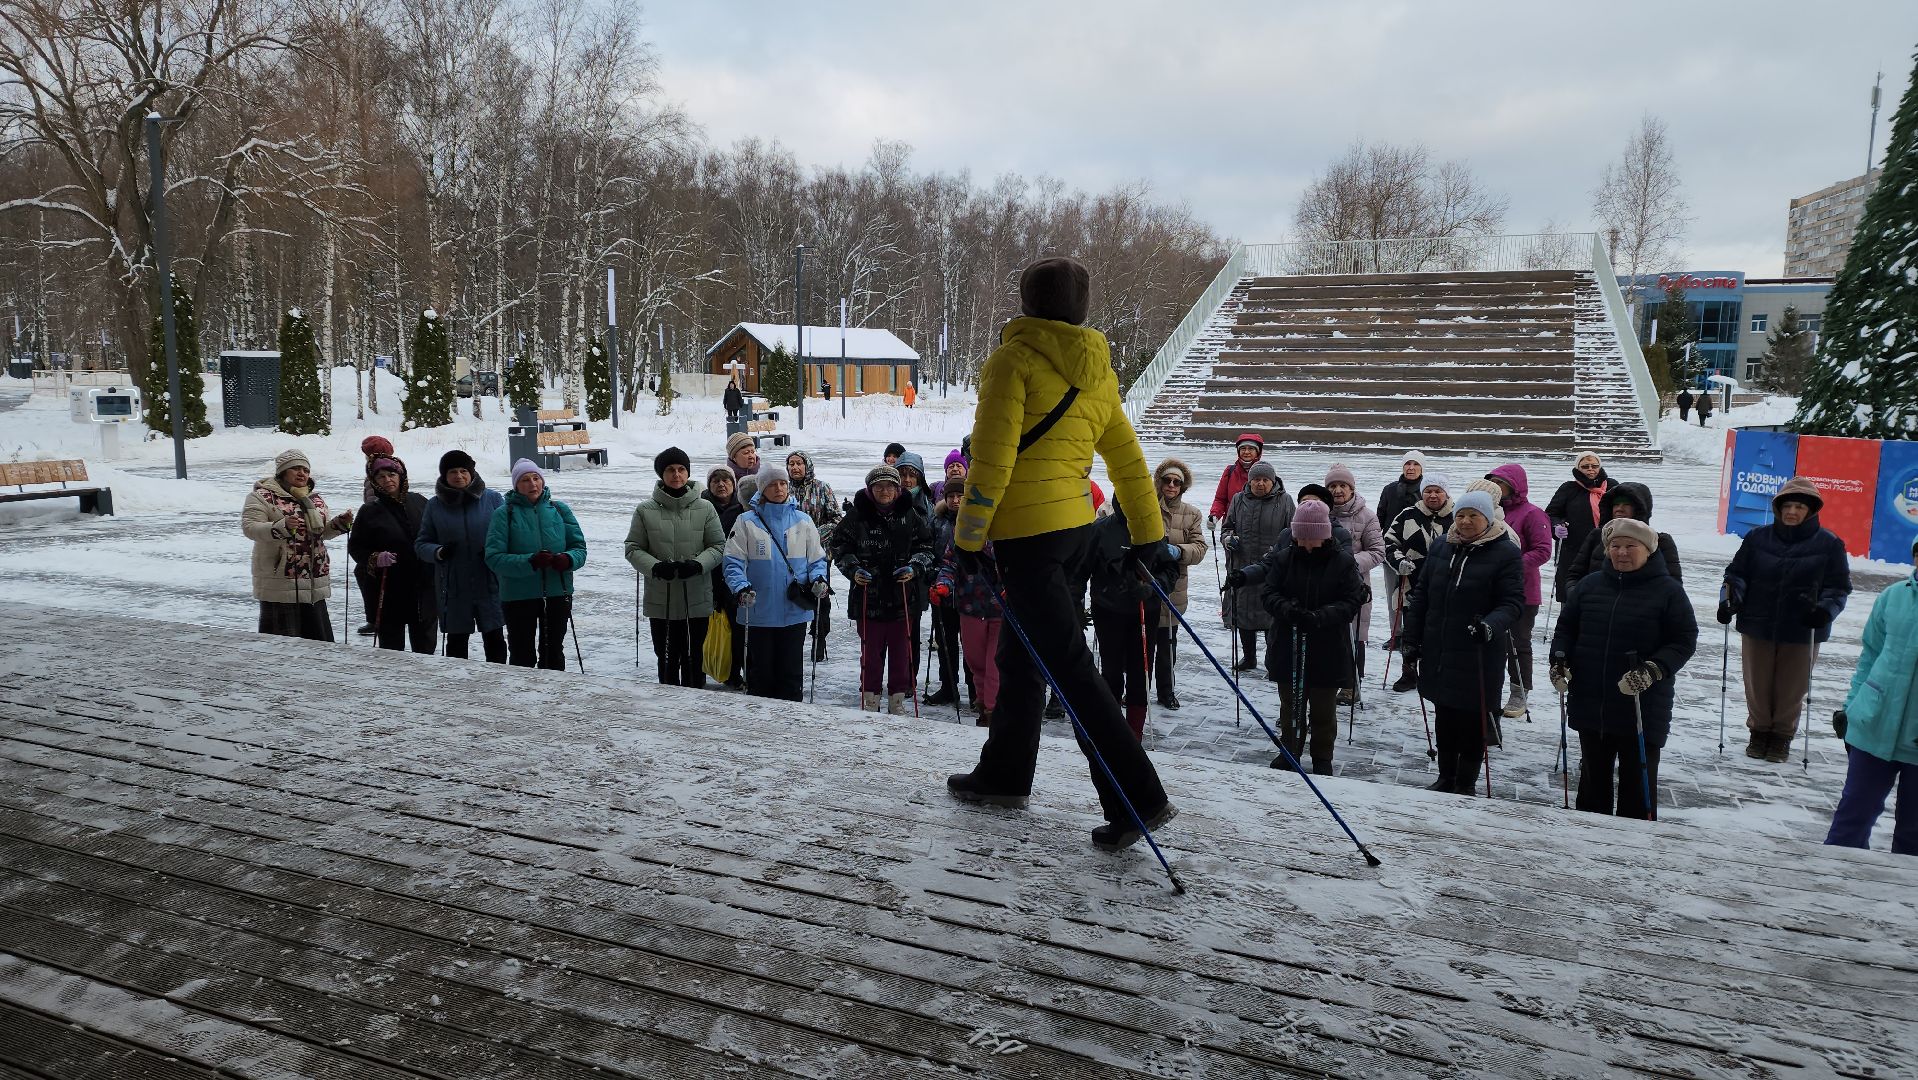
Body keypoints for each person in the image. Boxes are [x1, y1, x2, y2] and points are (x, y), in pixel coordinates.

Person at [947, 254, 1176, 852]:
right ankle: (1004, 773)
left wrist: (968, 536)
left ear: (1027, 302)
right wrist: (1148, 535)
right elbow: (1126, 460)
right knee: (1026, 655)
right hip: (1076, 532)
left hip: (1027, 536)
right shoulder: (1096, 370)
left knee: (1070, 668)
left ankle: (1139, 797)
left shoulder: (1013, 360)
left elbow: (991, 461)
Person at [1549, 518, 1698, 820]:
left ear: (1648, 550)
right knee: (1593, 778)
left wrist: (1654, 669)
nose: (1622, 552)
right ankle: (1587, 832)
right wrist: (1560, 660)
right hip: (1593, 700)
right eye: (1615, 546)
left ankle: (1638, 843)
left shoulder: (1668, 591)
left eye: (1631, 546)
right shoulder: (1589, 586)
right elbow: (1566, 628)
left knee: (1637, 782)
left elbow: (1683, 640)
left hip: (1642, 703)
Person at [1400, 488, 1525, 795]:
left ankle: (1465, 783)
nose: (1466, 521)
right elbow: (1423, 597)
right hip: (1440, 647)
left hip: (1479, 650)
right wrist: (1412, 640)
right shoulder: (1443, 546)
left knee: (1473, 721)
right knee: (1444, 715)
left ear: (1487, 518)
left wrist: (1488, 626)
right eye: (1461, 515)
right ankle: (1445, 777)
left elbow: (1512, 603)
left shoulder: (1505, 552)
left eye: (1474, 516)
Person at [1720, 477, 1852, 761]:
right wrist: (1730, 600)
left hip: (1803, 627)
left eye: (1799, 507)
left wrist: (1824, 610)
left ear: (1811, 511)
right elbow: (1737, 574)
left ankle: (1781, 736)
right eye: (1788, 505)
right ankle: (1759, 732)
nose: (1792, 511)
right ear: (1779, 508)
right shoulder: (1758, 538)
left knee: (1791, 687)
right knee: (1757, 683)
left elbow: (1839, 587)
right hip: (1757, 623)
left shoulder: (1829, 543)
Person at [1825, 537, 1918, 855]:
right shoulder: (1892, 597)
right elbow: (1870, 656)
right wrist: (1852, 707)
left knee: (1913, 835)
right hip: (1873, 726)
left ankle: (1901, 904)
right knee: (1850, 821)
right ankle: (1830, 887)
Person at [1262, 500, 1369, 775]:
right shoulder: (1284, 558)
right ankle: (1290, 751)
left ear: (1325, 536)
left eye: (1313, 539)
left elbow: (1352, 600)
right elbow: (1269, 593)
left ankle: (1323, 757)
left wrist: (1322, 616)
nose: (1307, 545)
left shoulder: (1343, 561)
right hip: (1289, 643)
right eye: (1302, 538)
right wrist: (1287, 609)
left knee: (1323, 709)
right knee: (1291, 706)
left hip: (1328, 647)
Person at [831, 464, 935, 713]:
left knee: (902, 654)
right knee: (870, 655)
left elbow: (927, 548)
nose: (885, 491)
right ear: (870, 489)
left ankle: (897, 700)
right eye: (879, 486)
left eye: (890, 486)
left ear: (898, 489)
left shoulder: (910, 514)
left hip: (902, 598)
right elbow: (840, 548)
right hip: (868, 597)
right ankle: (870, 698)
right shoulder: (857, 515)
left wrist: (914, 567)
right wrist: (853, 569)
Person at [724, 460, 830, 701]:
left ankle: (792, 718)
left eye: (783, 483)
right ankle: (761, 720)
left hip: (794, 610)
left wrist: (818, 578)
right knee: (761, 672)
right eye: (773, 484)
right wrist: (741, 587)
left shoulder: (803, 521)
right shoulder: (746, 522)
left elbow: (816, 559)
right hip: (759, 610)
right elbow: (732, 561)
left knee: (791, 671)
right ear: (762, 489)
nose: (780, 489)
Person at [624, 447, 725, 688]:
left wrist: (698, 564)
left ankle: (695, 707)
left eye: (681, 469)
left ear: (688, 473)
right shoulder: (645, 510)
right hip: (663, 599)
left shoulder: (705, 508)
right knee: (667, 658)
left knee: (694, 657)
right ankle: (667, 708)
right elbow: (633, 548)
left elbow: (719, 545)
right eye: (670, 470)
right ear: (662, 474)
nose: (676, 475)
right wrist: (655, 567)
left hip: (696, 597)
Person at [485, 459, 587, 670]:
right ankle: (522, 698)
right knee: (522, 654)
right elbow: (494, 558)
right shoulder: (504, 514)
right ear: (516, 485)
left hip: (557, 592)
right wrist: (530, 561)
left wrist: (567, 559)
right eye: (525, 480)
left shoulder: (559, 509)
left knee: (553, 652)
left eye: (536, 478)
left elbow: (579, 549)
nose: (532, 484)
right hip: (518, 596)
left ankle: (554, 697)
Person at [242, 449, 353, 640]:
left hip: (313, 581)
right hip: (281, 582)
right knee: (282, 646)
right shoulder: (262, 496)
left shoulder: (314, 499)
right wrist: (280, 526)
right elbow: (250, 528)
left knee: (318, 645)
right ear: (282, 472)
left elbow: (320, 533)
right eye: (295, 468)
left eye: (305, 469)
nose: (302, 473)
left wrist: (338, 525)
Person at [1087, 501, 1177, 739]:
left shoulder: (1151, 530)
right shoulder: (1100, 529)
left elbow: (1170, 569)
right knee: (1111, 672)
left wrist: (1152, 588)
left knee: (1140, 674)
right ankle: (1113, 730)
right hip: (1108, 610)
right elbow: (1081, 568)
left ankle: (1133, 734)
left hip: (1143, 612)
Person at [416, 449, 506, 663]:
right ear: (444, 476)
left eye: (464, 470)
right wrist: (438, 552)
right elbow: (421, 544)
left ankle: (501, 681)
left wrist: (496, 550)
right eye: (453, 471)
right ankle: (456, 685)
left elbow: (508, 533)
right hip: (453, 583)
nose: (459, 476)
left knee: (494, 637)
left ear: (472, 473)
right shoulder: (434, 505)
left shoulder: (492, 499)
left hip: (488, 580)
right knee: (457, 642)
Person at [349, 456, 437, 653]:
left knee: (425, 643)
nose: (387, 480)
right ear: (374, 481)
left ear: (401, 476)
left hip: (422, 586)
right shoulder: (369, 510)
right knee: (391, 647)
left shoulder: (420, 501)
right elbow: (356, 547)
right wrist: (375, 558)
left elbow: (434, 532)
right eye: (381, 477)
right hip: (389, 587)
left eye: (391, 474)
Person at [1485, 464, 1551, 718]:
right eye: (1492, 483)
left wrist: (1510, 565)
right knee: (1493, 643)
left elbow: (1543, 550)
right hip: (1492, 590)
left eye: (1500, 483)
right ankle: (1492, 689)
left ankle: (1519, 692)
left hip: (1522, 592)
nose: (1496, 489)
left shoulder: (1532, 514)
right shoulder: (1489, 512)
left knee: (1518, 644)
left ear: (1514, 486)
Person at [933, 482, 1001, 726]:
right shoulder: (961, 532)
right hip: (970, 605)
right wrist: (943, 584)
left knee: (995, 663)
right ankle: (984, 707)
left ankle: (993, 711)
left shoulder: (1005, 531)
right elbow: (950, 563)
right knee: (975, 661)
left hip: (1000, 609)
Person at [1220, 460, 1296, 673]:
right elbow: (1227, 528)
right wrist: (1228, 539)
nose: (1260, 484)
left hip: (1273, 569)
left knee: (1271, 615)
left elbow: (1293, 534)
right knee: (1244, 613)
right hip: (1243, 566)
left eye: (1265, 480)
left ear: (1273, 482)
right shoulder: (1238, 500)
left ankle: (1272, 660)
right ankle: (1249, 657)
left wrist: (1279, 554)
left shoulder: (1286, 501)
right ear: (1249, 481)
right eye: (1256, 479)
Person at [1383, 474, 1454, 692]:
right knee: (1411, 633)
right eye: (1428, 491)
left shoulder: (1456, 516)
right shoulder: (1407, 515)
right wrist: (1399, 562)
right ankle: (1409, 673)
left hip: (1446, 587)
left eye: (1437, 491)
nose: (1433, 495)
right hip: (1410, 585)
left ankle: (1435, 675)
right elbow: (1388, 542)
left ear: (1446, 493)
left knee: (1438, 634)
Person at [1324, 463, 1385, 707]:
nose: (1338, 490)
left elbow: (1378, 552)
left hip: (1354, 586)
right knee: (1328, 635)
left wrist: (1347, 563)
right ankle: (1327, 680)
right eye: (1333, 486)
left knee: (1355, 636)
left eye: (1342, 486)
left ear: (1351, 488)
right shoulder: (1320, 512)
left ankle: (1351, 684)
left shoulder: (1367, 515)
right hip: (1324, 586)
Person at [1150, 458, 1207, 710]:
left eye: (1177, 482)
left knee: (1167, 646)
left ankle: (1166, 691)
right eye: (1167, 480)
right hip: (1147, 585)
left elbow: (1199, 547)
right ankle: (1137, 691)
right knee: (1142, 645)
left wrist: (1177, 551)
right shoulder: (1147, 507)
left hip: (1174, 589)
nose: (1171, 485)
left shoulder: (1192, 513)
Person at [1563, 482, 1681, 586]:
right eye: (1616, 504)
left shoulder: (1660, 542)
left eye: (1626, 504)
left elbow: (1673, 586)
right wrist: (1579, 597)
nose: (1619, 509)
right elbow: (1574, 576)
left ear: (1640, 508)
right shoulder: (1597, 536)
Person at [786, 450, 841, 662]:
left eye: (799, 463)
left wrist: (813, 533)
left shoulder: (822, 488)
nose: (795, 468)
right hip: (790, 556)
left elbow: (837, 519)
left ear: (807, 466)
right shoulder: (784, 488)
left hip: (819, 554)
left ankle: (819, 639)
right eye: (791, 464)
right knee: (796, 595)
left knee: (821, 599)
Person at [1545, 451, 1616, 602]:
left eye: (1594, 466)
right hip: (1573, 550)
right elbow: (1551, 514)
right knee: (1572, 595)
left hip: (1607, 548)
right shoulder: (1568, 488)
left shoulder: (1613, 487)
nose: (1591, 469)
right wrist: (1556, 527)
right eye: (1585, 466)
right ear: (1578, 468)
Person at [702, 466, 749, 690]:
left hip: (735, 576)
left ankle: (734, 672)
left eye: (726, 481)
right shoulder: (702, 507)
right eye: (716, 481)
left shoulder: (742, 509)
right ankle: (703, 667)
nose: (721, 485)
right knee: (705, 625)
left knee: (737, 627)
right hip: (707, 574)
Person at [926, 481, 970, 707]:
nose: (955, 500)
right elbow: (928, 551)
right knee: (945, 643)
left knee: (971, 646)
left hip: (972, 596)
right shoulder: (937, 521)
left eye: (960, 496)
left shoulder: (975, 521)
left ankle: (975, 691)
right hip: (942, 593)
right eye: (951, 496)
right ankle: (948, 687)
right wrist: (934, 577)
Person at [354, 435, 397, 635]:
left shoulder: (377, 474)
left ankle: (376, 618)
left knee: (367, 573)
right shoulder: (392, 469)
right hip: (378, 528)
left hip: (379, 532)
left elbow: (374, 505)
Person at [1207, 432, 1269, 526]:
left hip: (1258, 526)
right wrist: (1214, 515)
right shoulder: (1230, 471)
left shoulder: (1266, 472)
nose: (1246, 452)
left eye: (1251, 448)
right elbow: (1220, 499)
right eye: (1243, 448)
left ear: (1258, 451)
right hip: (1232, 526)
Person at [1375, 450, 1426, 538]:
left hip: (1418, 542)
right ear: (1403, 467)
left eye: (1416, 464)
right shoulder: (1389, 490)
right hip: (1391, 541)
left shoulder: (1428, 491)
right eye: (1408, 464)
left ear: (1422, 468)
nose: (1411, 468)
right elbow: (1379, 519)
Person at [726, 432, 761, 501]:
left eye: (753, 452)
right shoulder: (726, 480)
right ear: (734, 457)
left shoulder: (763, 476)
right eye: (746, 453)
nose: (751, 456)